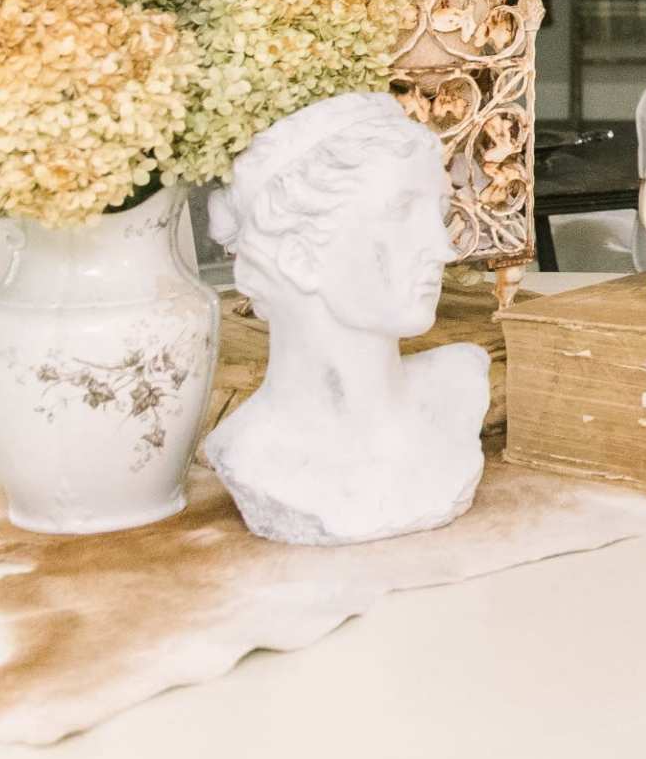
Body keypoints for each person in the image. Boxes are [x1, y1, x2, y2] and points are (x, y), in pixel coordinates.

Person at [202, 92, 485, 545]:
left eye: (439, 213)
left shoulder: (461, 385)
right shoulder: (255, 453)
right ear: (298, 255)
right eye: (400, 212)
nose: (443, 247)